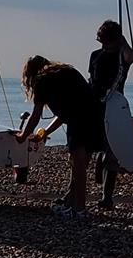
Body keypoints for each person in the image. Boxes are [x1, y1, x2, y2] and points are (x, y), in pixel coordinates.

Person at [16, 55, 104, 219]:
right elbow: (63, 114)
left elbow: (35, 116)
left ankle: (79, 209)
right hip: (96, 115)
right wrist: (45, 133)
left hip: (79, 119)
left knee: (78, 164)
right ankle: (72, 203)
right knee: (81, 164)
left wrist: (22, 136)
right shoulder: (66, 71)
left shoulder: (42, 80)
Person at [89, 19, 133, 210]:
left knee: (113, 151)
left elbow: (131, 56)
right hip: (95, 104)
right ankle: (99, 162)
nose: (105, 46)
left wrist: (122, 41)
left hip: (115, 106)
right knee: (94, 146)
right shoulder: (95, 55)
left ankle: (107, 197)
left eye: (108, 42)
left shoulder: (121, 55)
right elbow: (92, 80)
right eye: (102, 42)